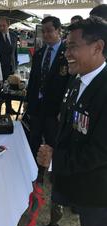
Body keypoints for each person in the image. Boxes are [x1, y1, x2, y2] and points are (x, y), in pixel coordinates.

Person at [34, 17, 107, 226]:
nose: (66, 53)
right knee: (59, 200)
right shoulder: (77, 80)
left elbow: (100, 152)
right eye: (66, 46)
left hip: (93, 184)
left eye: (73, 46)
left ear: (97, 47)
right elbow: (65, 122)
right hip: (67, 171)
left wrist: (57, 159)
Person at [26, 16, 70, 183]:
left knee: (53, 142)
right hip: (36, 108)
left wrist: (63, 110)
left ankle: (53, 173)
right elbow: (33, 81)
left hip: (55, 110)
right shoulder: (38, 54)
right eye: (43, 31)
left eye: (49, 31)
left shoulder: (66, 54)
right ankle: (35, 173)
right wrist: (28, 103)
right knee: (34, 140)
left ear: (59, 31)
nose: (46, 35)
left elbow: (69, 85)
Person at [0, 17, 18, 114]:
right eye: (0, 26)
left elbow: (15, 52)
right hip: (0, 68)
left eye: (3, 25)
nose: (1, 28)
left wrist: (15, 66)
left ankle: (9, 108)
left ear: (8, 25)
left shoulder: (14, 36)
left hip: (11, 67)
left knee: (10, 89)